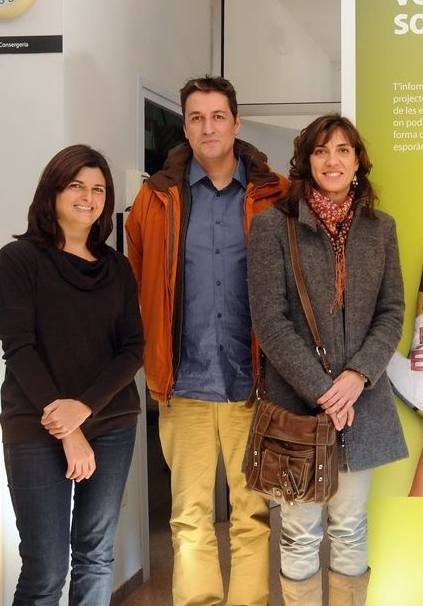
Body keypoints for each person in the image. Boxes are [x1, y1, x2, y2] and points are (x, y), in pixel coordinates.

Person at [125, 76, 287, 606]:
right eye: (196, 117)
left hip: (253, 383)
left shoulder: (276, 194)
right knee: (189, 518)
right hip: (184, 383)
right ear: (185, 127)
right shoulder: (155, 198)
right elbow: (139, 275)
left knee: (252, 515)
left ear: (236, 123)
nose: (208, 127)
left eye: (218, 116)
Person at [247, 114, 407, 605]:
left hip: (362, 404)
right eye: (320, 151)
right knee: (299, 534)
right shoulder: (273, 226)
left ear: (358, 161)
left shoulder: (380, 228)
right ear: (306, 162)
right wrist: (323, 391)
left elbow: (392, 311)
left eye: (342, 150)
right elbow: (269, 321)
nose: (331, 160)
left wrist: (357, 376)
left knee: (350, 526)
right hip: (298, 408)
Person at [0, 145, 143, 605]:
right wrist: (69, 427)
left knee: (96, 557)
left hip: (111, 423)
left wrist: (86, 408)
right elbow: (19, 348)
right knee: (46, 568)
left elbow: (132, 348)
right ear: (53, 191)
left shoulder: (117, 267)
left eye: (98, 189)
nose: (88, 197)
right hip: (35, 425)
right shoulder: (19, 260)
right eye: (76, 185)